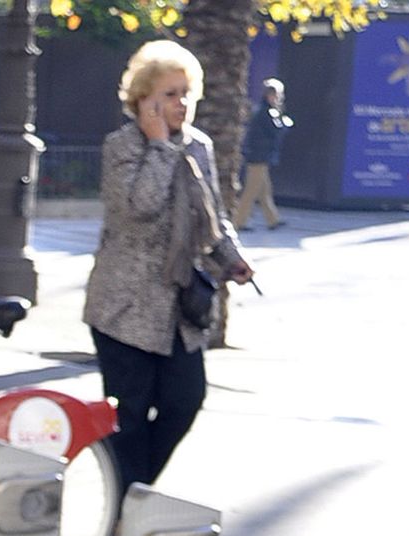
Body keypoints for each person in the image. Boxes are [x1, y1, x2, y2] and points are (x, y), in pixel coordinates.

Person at [83, 39, 253, 502]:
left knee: (185, 399)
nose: (181, 104)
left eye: (185, 93)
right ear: (143, 99)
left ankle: (132, 496)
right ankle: (125, 506)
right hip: (124, 309)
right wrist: (158, 146)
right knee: (131, 414)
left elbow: (212, 216)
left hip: (180, 310)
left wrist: (231, 258)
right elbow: (136, 209)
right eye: (169, 95)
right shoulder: (122, 146)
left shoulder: (198, 146)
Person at [233, 78, 291, 231]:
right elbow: (276, 130)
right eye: (277, 95)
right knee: (251, 190)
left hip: (258, 155)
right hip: (259, 156)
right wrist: (285, 122)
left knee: (264, 190)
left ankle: (273, 219)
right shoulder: (267, 112)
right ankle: (238, 222)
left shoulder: (261, 110)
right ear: (271, 95)